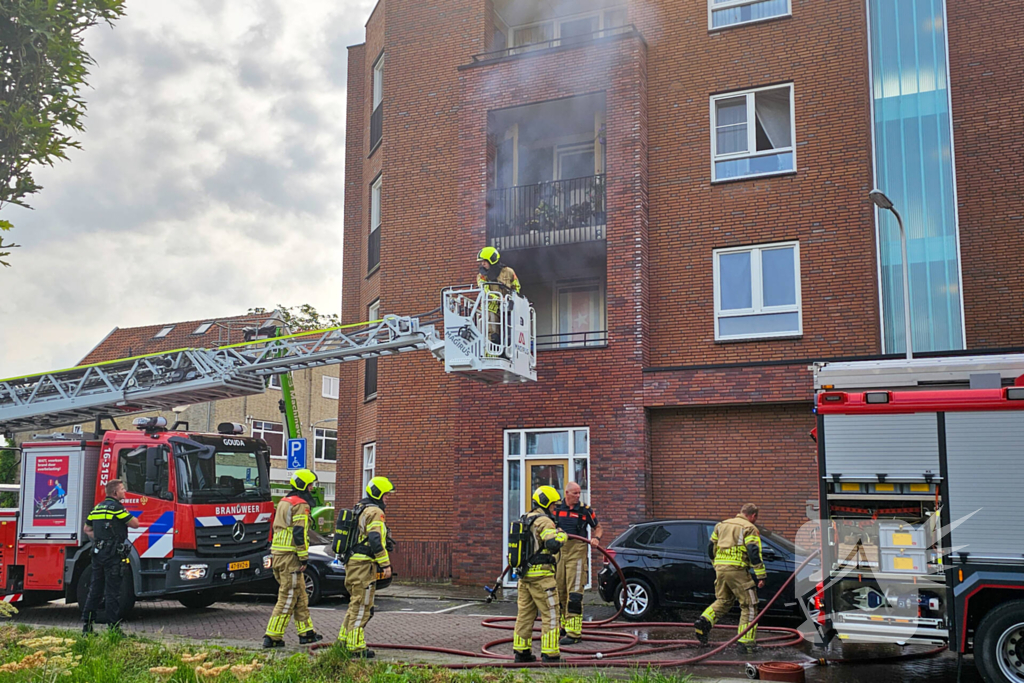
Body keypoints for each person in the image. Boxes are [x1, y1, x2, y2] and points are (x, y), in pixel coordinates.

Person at [263, 469, 324, 648]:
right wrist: (303, 558)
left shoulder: (284, 502)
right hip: (291, 556)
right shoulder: (301, 505)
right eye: (311, 484)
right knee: (288, 596)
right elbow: (299, 532)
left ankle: (306, 633)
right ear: (304, 485)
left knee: (300, 595)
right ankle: (272, 636)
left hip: (279, 554)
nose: (312, 488)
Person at [693, 503, 767, 651]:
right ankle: (746, 643)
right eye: (755, 518)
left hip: (720, 569)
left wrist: (716, 564)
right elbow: (753, 551)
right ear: (753, 516)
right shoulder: (749, 528)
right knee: (749, 605)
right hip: (737, 570)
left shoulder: (721, 525)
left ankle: (704, 621)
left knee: (724, 600)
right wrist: (761, 575)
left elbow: (710, 547)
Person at [338, 476, 395, 658]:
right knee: (363, 605)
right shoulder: (375, 512)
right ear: (378, 494)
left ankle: (344, 639)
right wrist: (385, 564)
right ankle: (355, 647)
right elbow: (375, 540)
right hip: (363, 565)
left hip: (353, 562)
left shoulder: (360, 508)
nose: (388, 498)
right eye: (386, 494)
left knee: (355, 603)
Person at [512, 485, 568, 664]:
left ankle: (522, 652)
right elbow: (552, 544)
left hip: (525, 577)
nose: (554, 510)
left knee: (525, 615)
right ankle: (551, 655)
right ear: (545, 503)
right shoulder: (544, 521)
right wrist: (562, 536)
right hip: (542, 578)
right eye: (553, 506)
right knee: (551, 613)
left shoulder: (525, 518)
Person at [82, 479, 140, 634]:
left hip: (98, 553)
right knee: (112, 591)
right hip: (113, 555)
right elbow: (135, 524)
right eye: (122, 489)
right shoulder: (117, 508)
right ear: (115, 493)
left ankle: (87, 627)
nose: (124, 492)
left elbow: (87, 529)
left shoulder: (97, 508)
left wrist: (101, 538)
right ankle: (113, 629)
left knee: (95, 590)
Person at [552, 481, 604, 645]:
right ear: (566, 493)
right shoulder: (557, 509)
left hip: (577, 552)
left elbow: (599, 527)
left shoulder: (585, 510)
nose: (578, 496)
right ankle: (562, 627)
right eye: (574, 493)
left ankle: (574, 633)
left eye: (579, 493)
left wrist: (596, 538)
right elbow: (549, 525)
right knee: (559, 591)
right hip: (560, 552)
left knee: (574, 592)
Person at [476, 246, 521, 350]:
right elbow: (484, 289)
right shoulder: (482, 275)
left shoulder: (509, 272)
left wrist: (510, 299)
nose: (482, 264)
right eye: (482, 261)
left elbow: (516, 287)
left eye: (484, 261)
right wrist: (499, 298)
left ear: (492, 260)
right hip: (491, 307)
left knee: (509, 332)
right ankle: (492, 350)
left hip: (507, 308)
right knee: (493, 334)